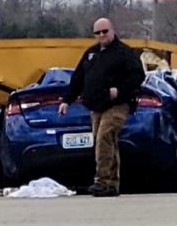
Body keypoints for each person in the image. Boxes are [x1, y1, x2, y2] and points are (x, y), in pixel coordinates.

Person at [59, 18, 145, 197]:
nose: (101, 35)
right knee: (105, 141)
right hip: (96, 106)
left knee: (104, 136)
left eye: (105, 31)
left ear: (112, 31)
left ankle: (102, 181)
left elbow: (138, 76)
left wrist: (119, 90)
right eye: (97, 33)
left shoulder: (124, 53)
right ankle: (112, 184)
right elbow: (78, 78)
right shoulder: (91, 54)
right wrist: (66, 100)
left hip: (117, 104)